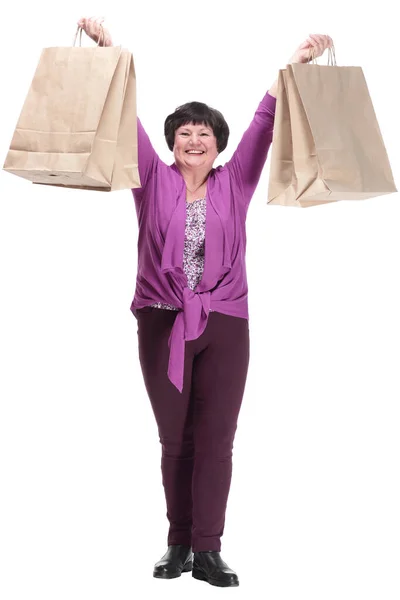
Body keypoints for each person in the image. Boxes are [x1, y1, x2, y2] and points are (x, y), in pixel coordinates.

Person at [78, 16, 333, 588]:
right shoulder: (150, 178)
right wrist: (110, 51)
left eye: (205, 133)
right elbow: (126, 121)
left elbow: (263, 129)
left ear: (217, 144)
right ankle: (177, 543)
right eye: (184, 133)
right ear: (172, 143)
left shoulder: (235, 182)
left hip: (226, 323)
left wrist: (291, 67)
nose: (194, 141)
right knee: (176, 439)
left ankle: (208, 549)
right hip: (161, 321)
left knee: (217, 437)